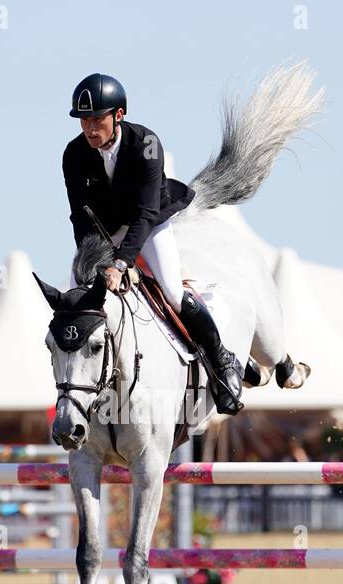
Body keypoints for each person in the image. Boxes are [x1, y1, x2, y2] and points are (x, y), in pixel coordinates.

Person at [62, 73, 244, 415]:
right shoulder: (73, 154)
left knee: (173, 292)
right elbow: (80, 217)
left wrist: (121, 264)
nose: (89, 128)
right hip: (104, 231)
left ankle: (222, 363)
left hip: (149, 222)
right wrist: (92, 265)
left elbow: (144, 214)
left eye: (97, 118)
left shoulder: (146, 144)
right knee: (76, 300)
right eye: (84, 120)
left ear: (118, 115)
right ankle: (75, 389)